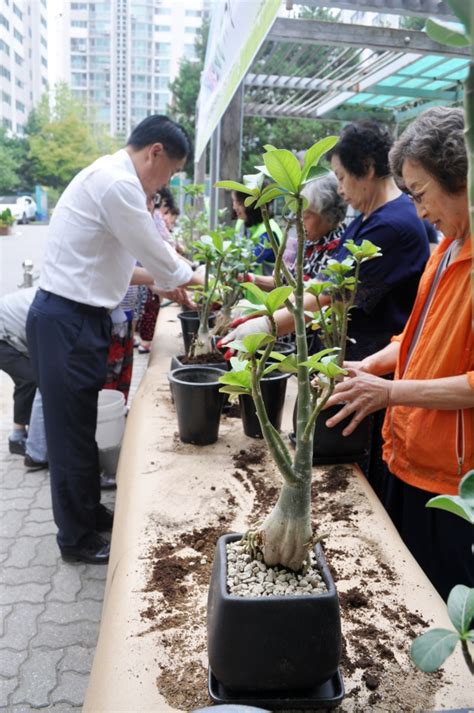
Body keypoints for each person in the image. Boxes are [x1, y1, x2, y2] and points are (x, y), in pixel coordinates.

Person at [26, 115, 201, 565]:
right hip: (67, 320)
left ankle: (88, 512)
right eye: (173, 172)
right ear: (155, 152)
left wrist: (168, 281)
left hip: (77, 319)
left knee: (81, 429)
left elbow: (123, 265)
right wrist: (197, 277)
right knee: (69, 438)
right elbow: (158, 255)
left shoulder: (109, 178)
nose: (167, 183)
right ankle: (76, 539)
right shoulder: (117, 185)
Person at [324, 107, 474, 600]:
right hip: (408, 454)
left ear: (461, 176)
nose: (418, 211)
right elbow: (416, 337)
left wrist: (390, 391)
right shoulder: (446, 249)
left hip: (452, 482)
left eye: (421, 193)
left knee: (447, 607)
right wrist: (372, 366)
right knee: (409, 593)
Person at [244, 172, 347, 291]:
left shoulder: (338, 249)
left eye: (306, 216)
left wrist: (263, 309)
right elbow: (285, 282)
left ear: (328, 215)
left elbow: (313, 299)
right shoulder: (311, 243)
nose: (299, 222)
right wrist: (249, 278)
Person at [0, 287, 48, 469]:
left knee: (29, 379)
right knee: (30, 380)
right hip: (3, 336)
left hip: (11, 330)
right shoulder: (51, 308)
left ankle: (25, 433)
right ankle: (17, 437)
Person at [232, 190, 283, 275]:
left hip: (264, 287)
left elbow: (248, 264)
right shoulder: (241, 222)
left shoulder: (269, 232)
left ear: (251, 205)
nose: (234, 207)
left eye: (238, 202)